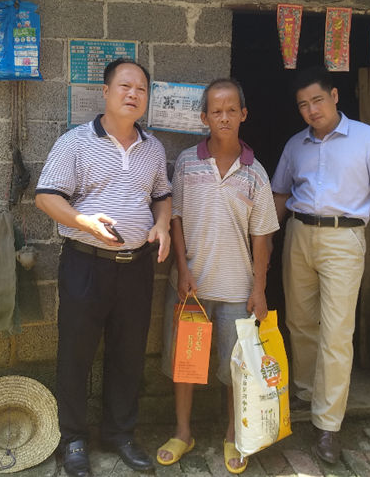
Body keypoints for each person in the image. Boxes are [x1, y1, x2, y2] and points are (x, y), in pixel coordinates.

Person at [35, 58, 172, 477]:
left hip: (137, 268)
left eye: (141, 89)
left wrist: (163, 225)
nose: (133, 94)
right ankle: (73, 439)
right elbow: (45, 197)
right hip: (86, 265)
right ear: (106, 92)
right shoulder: (75, 142)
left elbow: (162, 196)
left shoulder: (153, 148)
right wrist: (84, 221)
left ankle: (120, 435)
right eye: (125, 86)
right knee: (75, 354)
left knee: (129, 354)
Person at [270, 66, 370, 464]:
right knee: (300, 321)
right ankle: (307, 392)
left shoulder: (367, 138)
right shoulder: (296, 144)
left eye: (318, 100)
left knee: (337, 331)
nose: (312, 110)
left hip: (344, 239)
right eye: (303, 105)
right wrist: (262, 242)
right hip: (299, 234)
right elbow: (280, 195)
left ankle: (328, 424)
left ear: (335, 96)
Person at [156, 79, 279, 474]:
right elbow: (175, 219)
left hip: (236, 291)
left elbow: (262, 237)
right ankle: (182, 432)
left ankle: (232, 434)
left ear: (244, 114)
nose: (223, 117)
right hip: (190, 288)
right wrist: (183, 269)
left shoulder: (255, 173)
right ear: (204, 117)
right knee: (185, 365)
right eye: (216, 111)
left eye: (231, 110)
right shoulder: (187, 163)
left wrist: (259, 289)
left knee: (235, 370)